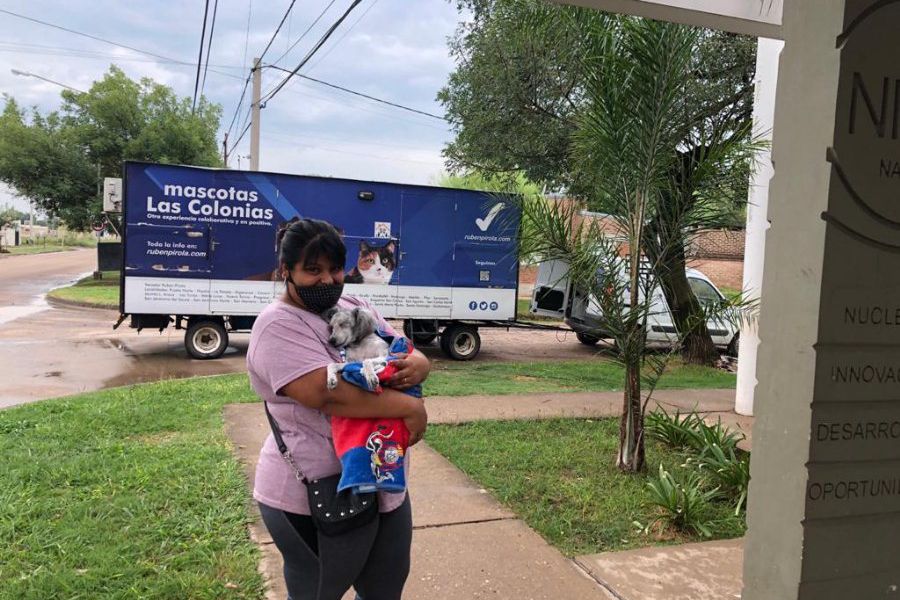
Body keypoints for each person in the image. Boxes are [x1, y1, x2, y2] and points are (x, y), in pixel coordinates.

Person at [247, 217, 430, 600]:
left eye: (334, 269)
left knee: (385, 589)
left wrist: (422, 363)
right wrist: (410, 409)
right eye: (312, 270)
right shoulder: (276, 325)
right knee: (317, 592)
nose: (327, 280)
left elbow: (401, 348)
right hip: (312, 491)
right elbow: (326, 394)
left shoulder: (355, 303)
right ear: (286, 271)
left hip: (384, 478)